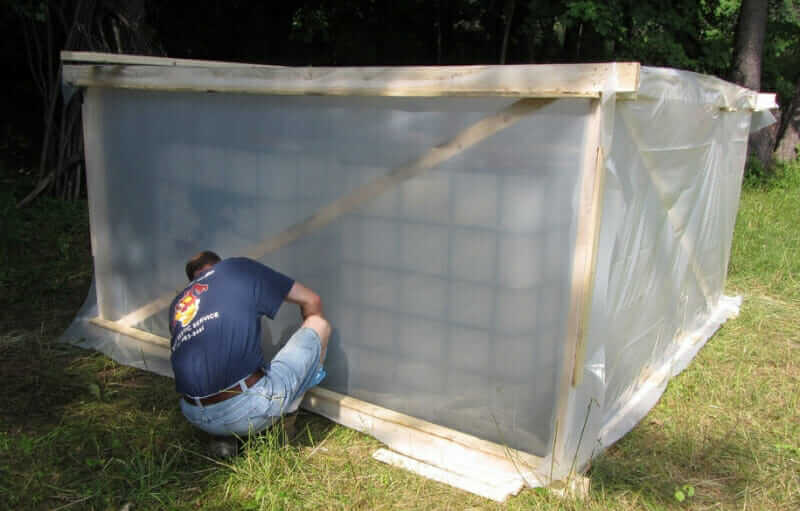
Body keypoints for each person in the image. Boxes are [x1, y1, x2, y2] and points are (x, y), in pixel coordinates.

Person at [168, 250, 330, 455]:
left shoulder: (178, 304)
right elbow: (312, 300)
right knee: (319, 324)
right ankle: (284, 425)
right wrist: (310, 353)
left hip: (193, 413)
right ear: (219, 264)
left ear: (193, 279)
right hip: (249, 409)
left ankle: (224, 438)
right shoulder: (237, 269)